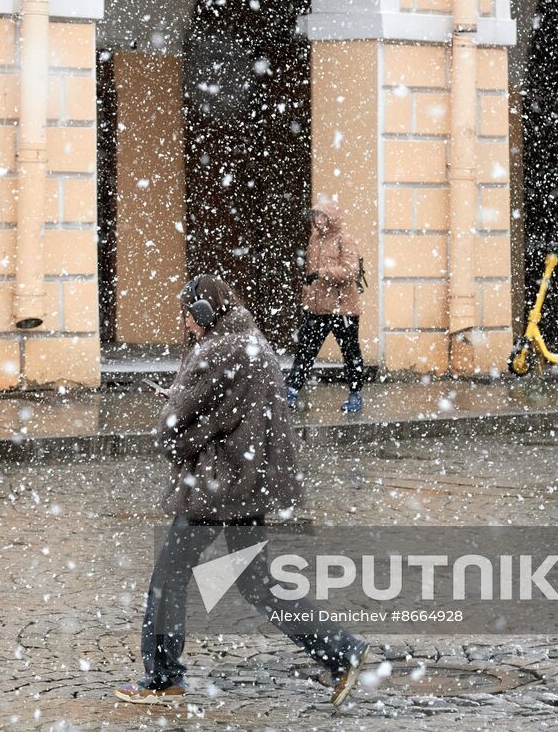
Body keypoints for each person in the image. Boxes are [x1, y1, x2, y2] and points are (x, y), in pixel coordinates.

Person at [115, 274, 368, 708]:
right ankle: (340, 651)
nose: (188, 325)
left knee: (167, 581)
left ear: (203, 313)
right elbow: (235, 413)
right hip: (248, 486)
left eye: (190, 316)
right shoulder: (253, 342)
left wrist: (178, 411)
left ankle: (161, 678)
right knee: (258, 582)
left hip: (214, 489)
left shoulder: (214, 352)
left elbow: (174, 433)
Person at [286, 196, 366, 415]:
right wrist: (307, 296)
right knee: (305, 350)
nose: (318, 220)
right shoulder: (315, 240)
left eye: (322, 216)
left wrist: (324, 273)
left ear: (331, 217)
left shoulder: (343, 238)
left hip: (343, 309)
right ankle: (291, 390)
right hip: (318, 308)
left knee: (350, 353)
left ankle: (355, 394)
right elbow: (311, 274)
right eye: (315, 215)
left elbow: (351, 271)